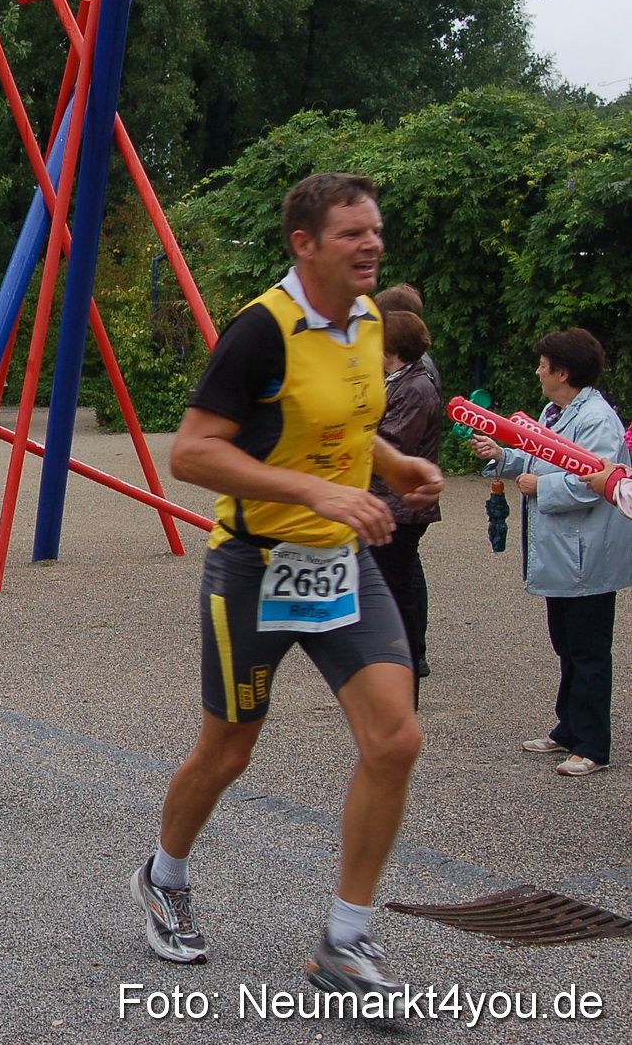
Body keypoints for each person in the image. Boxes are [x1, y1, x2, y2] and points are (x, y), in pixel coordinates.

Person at [130, 174, 442, 1002]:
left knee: (396, 738)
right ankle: (164, 875)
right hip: (256, 566)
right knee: (229, 749)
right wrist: (311, 490)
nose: (371, 243)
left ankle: (345, 939)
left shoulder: (371, 319)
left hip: (341, 562)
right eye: (352, 233)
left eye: (375, 229)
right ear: (304, 243)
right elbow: (191, 453)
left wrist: (394, 463)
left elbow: (347, 421)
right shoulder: (260, 331)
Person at [470, 329, 632, 777]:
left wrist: (542, 487)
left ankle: (594, 744)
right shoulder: (554, 412)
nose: (538, 372)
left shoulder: (598, 419)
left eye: (543, 365)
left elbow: (596, 481)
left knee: (588, 648)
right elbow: (538, 458)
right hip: (564, 551)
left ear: (563, 371)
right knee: (566, 643)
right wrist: (503, 456)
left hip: (588, 551)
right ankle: (569, 728)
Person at [366, 310, 444, 701]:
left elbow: (395, 445)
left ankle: (403, 685)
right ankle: (391, 680)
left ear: (390, 347)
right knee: (391, 591)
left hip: (400, 507)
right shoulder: (398, 381)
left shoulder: (415, 387)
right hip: (390, 503)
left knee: (396, 596)